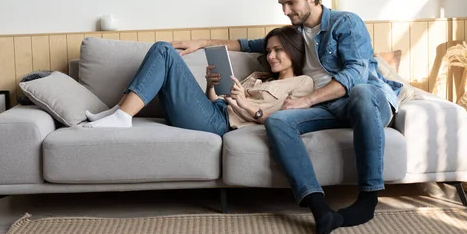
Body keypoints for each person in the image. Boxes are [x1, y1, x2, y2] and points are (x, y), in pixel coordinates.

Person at [171, 0, 403, 234]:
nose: (285, 10)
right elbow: (249, 44)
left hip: (366, 102)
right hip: (328, 108)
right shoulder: (297, 34)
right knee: (278, 120)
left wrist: (307, 100)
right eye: (282, 4)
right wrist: (201, 42)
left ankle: (368, 198)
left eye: (291, 3)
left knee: (361, 92)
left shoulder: (346, 23)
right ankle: (318, 207)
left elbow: (355, 73)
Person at [84, 27, 314, 137]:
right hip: (214, 111)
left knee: (164, 50)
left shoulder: (303, 83)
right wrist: (211, 86)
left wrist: (246, 104)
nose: (271, 56)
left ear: (293, 52)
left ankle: (123, 116)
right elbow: (217, 101)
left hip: (220, 123)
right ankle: (120, 110)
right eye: (268, 51)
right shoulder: (259, 76)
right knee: (161, 48)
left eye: (278, 50)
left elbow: (285, 120)